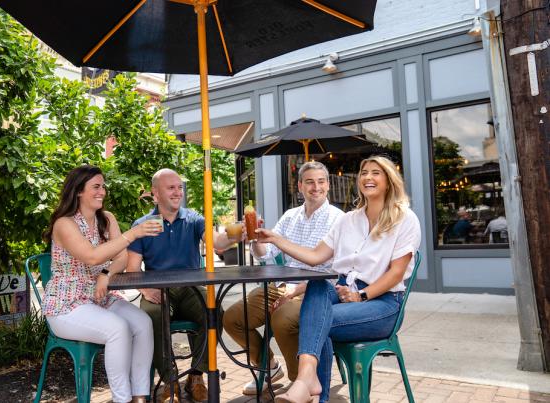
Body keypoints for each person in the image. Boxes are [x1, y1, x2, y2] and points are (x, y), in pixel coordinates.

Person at [257, 156, 421, 403]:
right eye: (364, 172)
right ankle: (308, 380)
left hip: (383, 303)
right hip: (344, 289)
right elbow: (314, 257)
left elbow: (396, 273)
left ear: (389, 181)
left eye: (376, 173)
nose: (367, 177)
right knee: (318, 283)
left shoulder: (405, 219)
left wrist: (361, 295)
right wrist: (274, 239)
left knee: (316, 321)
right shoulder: (348, 220)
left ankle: (308, 384)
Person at [222, 161, 343, 395]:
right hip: (281, 286)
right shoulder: (290, 216)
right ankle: (268, 367)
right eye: (309, 182)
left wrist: (297, 291)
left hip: (315, 291)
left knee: (282, 318)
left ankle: (301, 383)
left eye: (320, 182)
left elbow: (338, 271)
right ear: (299, 186)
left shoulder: (338, 219)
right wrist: (255, 240)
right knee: (232, 317)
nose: (315, 187)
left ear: (328, 186)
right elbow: (266, 254)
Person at [42, 165, 159, 403]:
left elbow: (122, 257)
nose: (102, 191)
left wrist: (106, 274)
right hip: (67, 305)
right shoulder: (64, 224)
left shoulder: (106, 219)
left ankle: (140, 397)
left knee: (143, 323)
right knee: (118, 329)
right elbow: (92, 256)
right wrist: (133, 234)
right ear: (78, 192)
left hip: (100, 297)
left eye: (103, 186)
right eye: (96, 186)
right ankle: (121, 399)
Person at [126, 168, 238, 403]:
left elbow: (217, 242)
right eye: (171, 188)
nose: (178, 192)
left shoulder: (194, 219)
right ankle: (170, 380)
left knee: (215, 311)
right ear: (156, 194)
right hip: (158, 288)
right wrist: (145, 290)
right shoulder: (143, 225)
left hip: (190, 288)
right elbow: (132, 269)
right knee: (151, 317)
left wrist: (236, 235)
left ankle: (195, 376)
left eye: (179, 187)